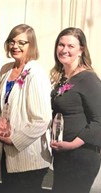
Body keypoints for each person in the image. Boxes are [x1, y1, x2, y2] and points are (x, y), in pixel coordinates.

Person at [0, 24, 52, 193]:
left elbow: (42, 119)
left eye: (21, 42)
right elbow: (0, 105)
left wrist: (15, 140)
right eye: (12, 41)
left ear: (31, 45)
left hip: (29, 157)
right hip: (7, 154)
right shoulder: (5, 70)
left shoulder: (36, 73)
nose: (15, 46)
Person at [50, 27, 101, 193]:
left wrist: (72, 144)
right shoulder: (63, 79)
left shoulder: (89, 79)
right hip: (63, 156)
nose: (64, 50)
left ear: (81, 50)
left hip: (81, 157)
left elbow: (98, 121)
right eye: (61, 44)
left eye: (70, 46)